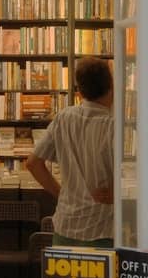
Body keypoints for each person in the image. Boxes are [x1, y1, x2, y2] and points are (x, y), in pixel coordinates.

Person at [25, 56, 114, 246]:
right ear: (110, 87)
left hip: (66, 227)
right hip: (102, 229)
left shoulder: (64, 118)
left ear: (79, 91)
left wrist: (61, 193)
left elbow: (32, 163)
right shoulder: (113, 124)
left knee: (63, 277)